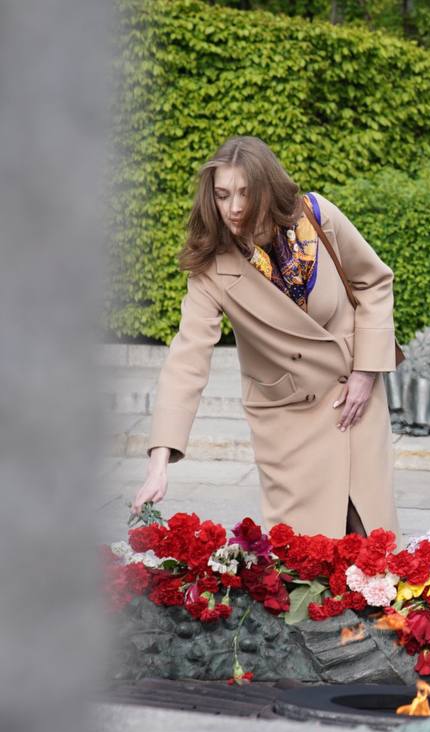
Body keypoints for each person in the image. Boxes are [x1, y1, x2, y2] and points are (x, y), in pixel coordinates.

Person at [132, 136, 399, 537]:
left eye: (245, 193)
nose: (234, 207)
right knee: (303, 552)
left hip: (354, 395)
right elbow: (187, 358)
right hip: (287, 418)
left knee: (370, 539)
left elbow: (373, 282)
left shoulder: (317, 216)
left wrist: (366, 371)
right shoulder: (212, 267)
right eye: (222, 195)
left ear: (267, 189)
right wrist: (159, 462)